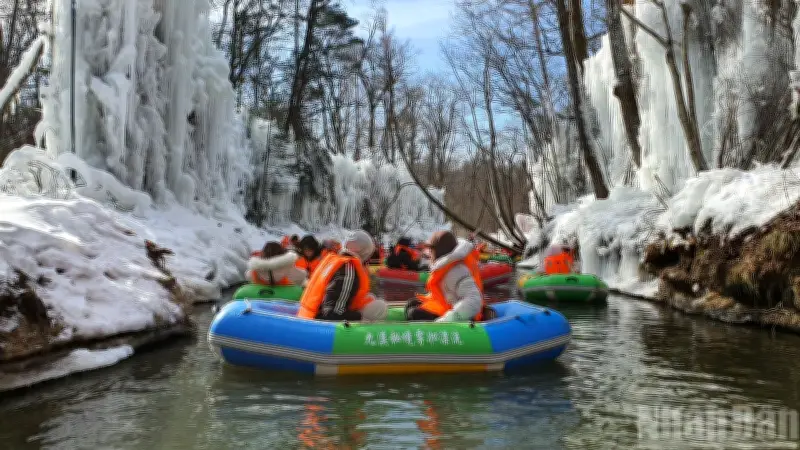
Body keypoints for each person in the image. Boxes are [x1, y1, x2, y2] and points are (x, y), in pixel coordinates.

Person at [297, 230, 388, 321]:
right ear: (364, 252)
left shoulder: (335, 260)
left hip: (308, 314)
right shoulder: (349, 269)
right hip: (322, 320)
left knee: (370, 297)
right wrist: (359, 317)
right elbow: (333, 313)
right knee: (380, 306)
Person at [405, 231, 487, 322]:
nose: (429, 253)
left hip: (462, 315)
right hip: (449, 305)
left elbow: (474, 301)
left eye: (431, 250)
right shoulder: (444, 266)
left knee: (414, 313)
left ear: (439, 250)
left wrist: (447, 319)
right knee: (411, 304)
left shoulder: (457, 271)